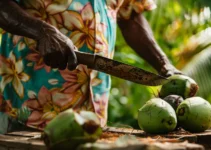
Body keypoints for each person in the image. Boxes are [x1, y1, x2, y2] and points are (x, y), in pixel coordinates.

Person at [0, 0, 182, 134]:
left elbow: (130, 15)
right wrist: (41, 31)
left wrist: (163, 64)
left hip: (93, 120)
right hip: (27, 110)